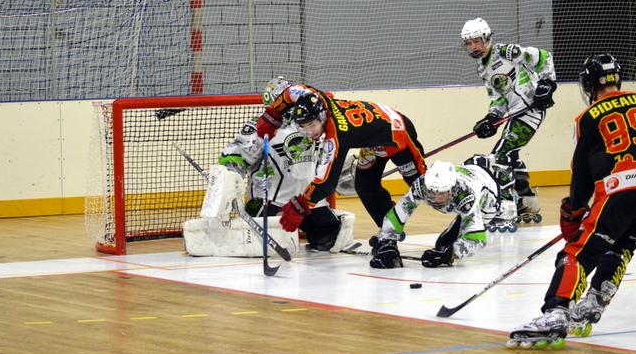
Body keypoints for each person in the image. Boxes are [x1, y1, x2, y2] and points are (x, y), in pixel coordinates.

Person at [508, 53, 636, 348]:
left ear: (588, 84)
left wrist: (575, 209)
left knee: (576, 253)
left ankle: (556, 312)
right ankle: (595, 300)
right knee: (622, 243)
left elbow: (582, 171)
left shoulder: (588, 116)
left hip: (620, 192)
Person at [182, 77, 355, 257]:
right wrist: (229, 181)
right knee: (262, 247)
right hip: (269, 200)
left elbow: (326, 157)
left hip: (306, 200)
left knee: (330, 238)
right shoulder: (261, 126)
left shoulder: (312, 122)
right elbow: (234, 157)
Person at [256, 84, 427, 236]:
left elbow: (326, 182)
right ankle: (389, 230)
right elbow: (292, 91)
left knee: (425, 187)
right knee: (365, 186)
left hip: (398, 135)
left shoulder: (337, 136)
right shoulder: (318, 99)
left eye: (312, 125)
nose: (309, 132)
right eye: (304, 126)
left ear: (322, 117)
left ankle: (446, 224)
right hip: (373, 144)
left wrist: (301, 205)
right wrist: (273, 113)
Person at [460, 17, 557, 229]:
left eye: (476, 41)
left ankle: (505, 209)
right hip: (516, 113)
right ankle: (527, 201)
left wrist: (548, 83)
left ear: (487, 38)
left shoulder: (507, 52)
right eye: (469, 43)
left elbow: (544, 57)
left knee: (499, 157)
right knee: (510, 155)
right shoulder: (482, 68)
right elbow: (498, 98)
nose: (473, 46)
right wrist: (491, 119)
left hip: (530, 110)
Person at [370, 157, 500, 269]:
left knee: (444, 246)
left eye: (442, 193)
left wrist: (450, 254)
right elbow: (399, 213)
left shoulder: (465, 195)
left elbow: (477, 240)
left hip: (487, 199)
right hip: (470, 173)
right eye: (432, 192)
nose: (436, 198)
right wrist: (387, 241)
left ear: (452, 188)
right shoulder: (421, 185)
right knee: (443, 247)